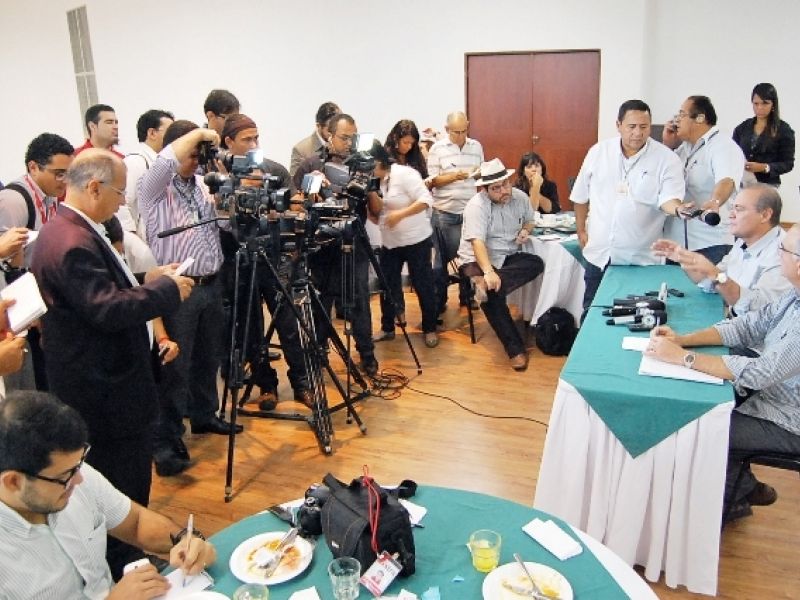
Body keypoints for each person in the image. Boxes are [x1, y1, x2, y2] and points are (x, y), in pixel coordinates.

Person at [29, 148, 193, 577]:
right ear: (94, 187)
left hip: (104, 382)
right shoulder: (71, 241)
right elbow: (107, 308)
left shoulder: (70, 229)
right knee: (121, 482)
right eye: (120, 193)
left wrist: (147, 279)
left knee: (124, 478)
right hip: (105, 390)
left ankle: (128, 556)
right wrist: (167, 291)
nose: (122, 202)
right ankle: (126, 564)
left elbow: (99, 291)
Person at [645, 223, 800, 525]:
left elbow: (761, 373)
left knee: (701, 427)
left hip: (789, 420)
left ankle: (724, 508)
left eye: (783, 249)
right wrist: (683, 340)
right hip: (774, 396)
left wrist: (683, 358)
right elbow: (748, 325)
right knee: (703, 404)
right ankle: (743, 488)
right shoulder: (793, 296)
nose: (778, 253)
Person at [0, 390, 217, 598]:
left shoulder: (70, 474)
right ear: (13, 482)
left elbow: (136, 522)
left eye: (79, 464)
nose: (79, 479)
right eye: (66, 475)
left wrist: (185, 540)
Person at [139, 121, 241, 461]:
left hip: (212, 281)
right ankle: (167, 439)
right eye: (192, 154)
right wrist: (200, 134)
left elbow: (225, 224)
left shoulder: (202, 184)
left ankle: (204, 414)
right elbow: (165, 162)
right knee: (175, 368)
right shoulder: (154, 189)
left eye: (200, 156)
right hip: (179, 288)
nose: (197, 161)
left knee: (207, 358)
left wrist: (226, 193)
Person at [218, 113, 311, 411]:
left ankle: (302, 384)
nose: (254, 144)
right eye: (247, 139)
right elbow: (220, 217)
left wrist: (284, 212)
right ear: (229, 141)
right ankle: (266, 385)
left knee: (288, 324)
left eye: (256, 137)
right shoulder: (220, 175)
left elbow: (296, 207)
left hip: (275, 257)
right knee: (250, 328)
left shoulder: (274, 169)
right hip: (240, 260)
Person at [571, 99, 686, 316]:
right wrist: (580, 230)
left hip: (640, 259)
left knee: (636, 317)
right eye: (632, 126)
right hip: (600, 255)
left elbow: (669, 199)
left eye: (644, 127)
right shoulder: (598, 152)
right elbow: (580, 196)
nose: (638, 133)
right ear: (618, 125)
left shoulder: (666, 159)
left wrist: (679, 210)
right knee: (592, 314)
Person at [293, 114, 382, 377]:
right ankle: (318, 353)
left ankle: (367, 354)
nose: (349, 143)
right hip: (322, 244)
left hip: (354, 241)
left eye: (353, 138)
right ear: (329, 135)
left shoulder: (362, 166)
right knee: (322, 301)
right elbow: (297, 203)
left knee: (360, 301)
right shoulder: (311, 163)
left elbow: (377, 210)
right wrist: (313, 190)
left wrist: (368, 183)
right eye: (344, 137)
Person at [0, 133, 74, 392]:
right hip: (15, 306)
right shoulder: (14, 200)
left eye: (68, 174)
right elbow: (10, 263)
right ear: (33, 167)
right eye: (58, 173)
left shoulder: (50, 196)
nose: (64, 180)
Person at [651, 184, 790, 318]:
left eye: (739, 209)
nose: (731, 215)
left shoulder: (784, 253)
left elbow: (759, 309)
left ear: (765, 215)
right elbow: (711, 283)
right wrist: (685, 259)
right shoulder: (744, 241)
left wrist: (714, 273)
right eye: (732, 209)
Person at [458, 158, 544, 371]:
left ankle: (490, 286)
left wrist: (525, 230)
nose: (504, 191)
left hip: (507, 255)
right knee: (492, 294)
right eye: (496, 188)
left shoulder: (520, 197)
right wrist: (488, 272)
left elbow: (530, 219)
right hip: (477, 258)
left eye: (505, 184)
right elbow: (477, 243)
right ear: (485, 189)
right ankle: (515, 350)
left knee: (535, 262)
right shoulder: (476, 206)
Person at [370, 142, 439, 348]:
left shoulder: (405, 174)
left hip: (416, 239)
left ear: (378, 162)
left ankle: (430, 328)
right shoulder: (373, 181)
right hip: (390, 242)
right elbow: (376, 211)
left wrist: (400, 214)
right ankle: (387, 328)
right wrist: (370, 192)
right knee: (387, 285)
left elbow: (426, 200)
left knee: (423, 285)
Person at [662, 95, 745, 265]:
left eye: (682, 115)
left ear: (700, 118)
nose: (677, 120)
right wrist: (668, 146)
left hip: (709, 243)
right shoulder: (683, 149)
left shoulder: (722, 146)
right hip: (676, 243)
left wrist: (715, 201)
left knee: (710, 282)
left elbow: (726, 180)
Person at [426, 111, 484, 314]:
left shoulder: (476, 146)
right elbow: (431, 181)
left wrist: (479, 172)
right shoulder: (437, 149)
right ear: (446, 129)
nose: (461, 136)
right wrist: (454, 176)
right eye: (456, 132)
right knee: (442, 259)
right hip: (445, 211)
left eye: (464, 131)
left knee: (469, 256)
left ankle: (467, 296)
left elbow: (480, 175)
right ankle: (438, 300)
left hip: (470, 210)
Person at [121, 109, 175, 235]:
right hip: (143, 241)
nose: (173, 138)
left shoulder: (166, 162)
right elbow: (122, 204)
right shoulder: (135, 161)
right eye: (170, 132)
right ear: (152, 133)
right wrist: (132, 238)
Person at [733, 83, 795, 188]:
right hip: (743, 183)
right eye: (756, 104)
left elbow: (788, 163)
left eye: (765, 103)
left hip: (768, 185)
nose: (760, 107)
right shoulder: (743, 128)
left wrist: (765, 167)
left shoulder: (784, 130)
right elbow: (732, 152)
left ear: (773, 104)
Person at [290, 101, 340, 178]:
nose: (334, 133)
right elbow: (294, 182)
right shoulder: (301, 150)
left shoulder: (344, 146)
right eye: (330, 129)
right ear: (318, 126)